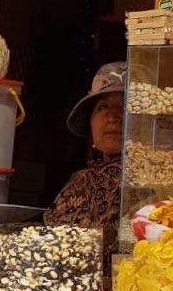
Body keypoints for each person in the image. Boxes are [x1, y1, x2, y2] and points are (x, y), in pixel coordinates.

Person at [44, 61, 125, 267]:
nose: (113, 117)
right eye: (103, 107)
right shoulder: (81, 183)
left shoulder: (153, 181)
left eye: (126, 106)